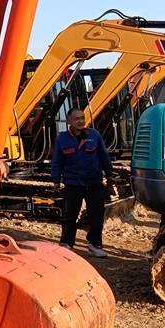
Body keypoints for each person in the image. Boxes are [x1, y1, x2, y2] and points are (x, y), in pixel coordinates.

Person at [50, 107, 114, 257]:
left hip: (94, 182)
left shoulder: (94, 135)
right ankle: (66, 243)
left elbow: (104, 156)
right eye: (76, 119)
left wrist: (110, 176)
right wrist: (56, 181)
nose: (80, 121)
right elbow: (57, 161)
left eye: (82, 118)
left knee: (96, 216)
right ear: (68, 121)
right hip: (73, 184)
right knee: (69, 215)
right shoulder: (62, 139)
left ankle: (95, 245)